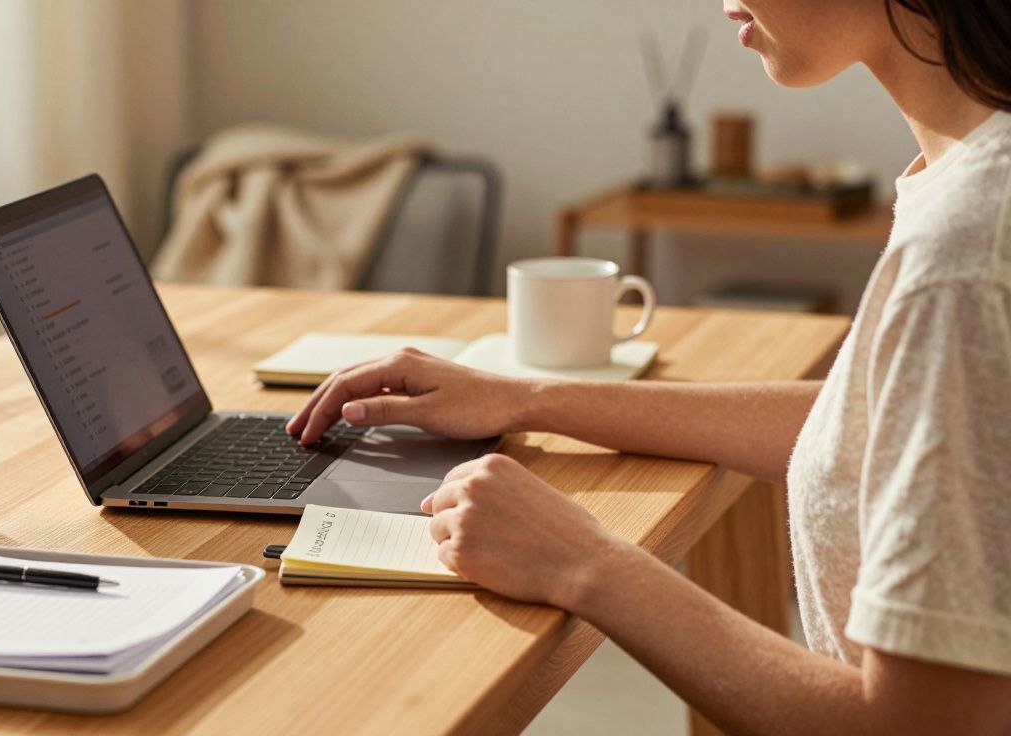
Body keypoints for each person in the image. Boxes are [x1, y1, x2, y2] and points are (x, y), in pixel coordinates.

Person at [287, 1, 1011, 732]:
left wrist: (585, 562)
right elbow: (877, 425)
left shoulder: (967, 252)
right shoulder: (972, 182)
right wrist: (525, 398)